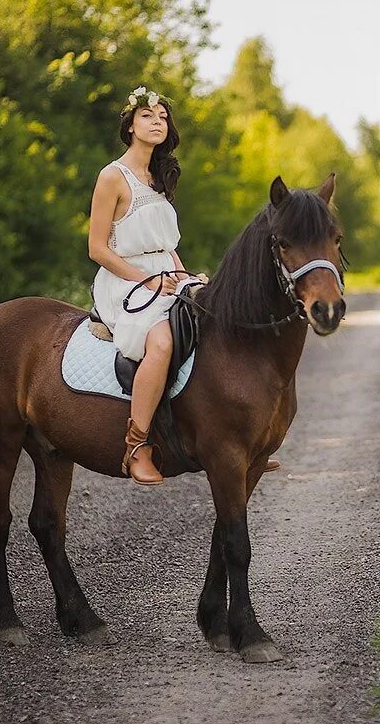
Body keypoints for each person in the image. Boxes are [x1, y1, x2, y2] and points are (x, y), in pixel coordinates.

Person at [87, 87, 280, 485]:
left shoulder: (158, 179)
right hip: (124, 281)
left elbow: (165, 246)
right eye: (147, 115)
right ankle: (136, 444)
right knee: (160, 341)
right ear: (130, 126)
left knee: (212, 323)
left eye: (162, 116)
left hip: (165, 275)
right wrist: (147, 280)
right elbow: (97, 248)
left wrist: (185, 276)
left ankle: (235, 438)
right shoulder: (112, 176)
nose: (157, 121)